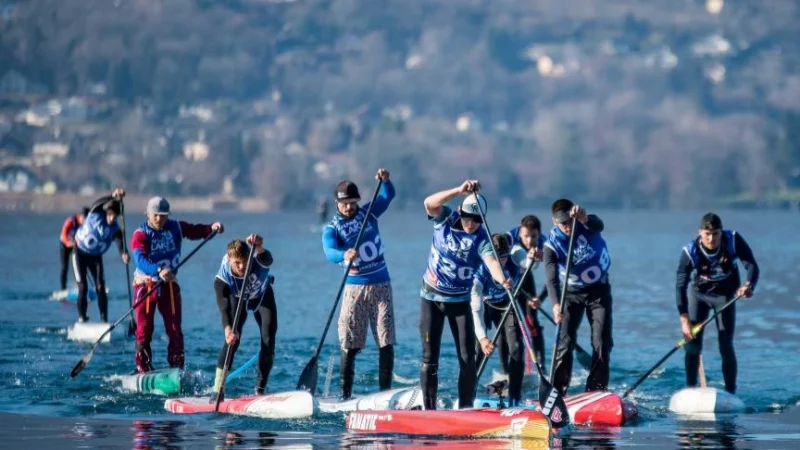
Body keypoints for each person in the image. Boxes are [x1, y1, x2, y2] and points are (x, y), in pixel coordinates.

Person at [420, 180, 512, 410]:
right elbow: (428, 203)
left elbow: (491, 262)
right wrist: (458, 191)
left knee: (468, 359)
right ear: (461, 212)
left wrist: (502, 278)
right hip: (431, 299)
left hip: (460, 302)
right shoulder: (447, 219)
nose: (472, 224)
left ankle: (465, 409)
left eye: (477, 220)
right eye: (468, 218)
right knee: (430, 359)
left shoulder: (483, 238)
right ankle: (428, 410)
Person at [322, 168, 395, 400]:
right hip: (354, 288)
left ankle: (385, 394)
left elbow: (387, 196)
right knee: (350, 343)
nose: (349, 207)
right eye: (345, 204)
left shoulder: (368, 214)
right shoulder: (332, 228)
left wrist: (385, 181)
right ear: (337, 203)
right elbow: (329, 252)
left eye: (353, 202)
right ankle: (345, 395)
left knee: (386, 341)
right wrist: (344, 255)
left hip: (381, 285)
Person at [130, 196, 223, 373]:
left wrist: (211, 228)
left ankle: (177, 368)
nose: (159, 219)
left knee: (174, 329)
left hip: (169, 285)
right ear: (147, 214)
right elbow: (139, 259)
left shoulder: (176, 227)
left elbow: (195, 231)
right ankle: (143, 368)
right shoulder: (140, 234)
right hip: (146, 285)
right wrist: (158, 270)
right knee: (144, 329)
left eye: (163, 215)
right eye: (155, 215)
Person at [676, 213, 759, 394]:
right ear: (700, 233)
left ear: (721, 233)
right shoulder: (690, 252)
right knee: (693, 345)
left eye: (716, 234)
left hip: (725, 297)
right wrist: (684, 319)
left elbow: (752, 264)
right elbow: (680, 286)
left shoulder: (733, 240)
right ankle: (690, 389)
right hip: (699, 296)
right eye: (707, 234)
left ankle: (731, 392)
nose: (712, 238)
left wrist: (748, 285)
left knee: (725, 344)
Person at [545, 199, 612, 396]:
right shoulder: (551, 244)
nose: (566, 226)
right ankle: (557, 391)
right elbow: (550, 278)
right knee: (565, 342)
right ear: (554, 222)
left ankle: (596, 390)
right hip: (571, 295)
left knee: (601, 341)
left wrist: (583, 217)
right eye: (561, 223)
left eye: (568, 221)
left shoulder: (585, 223)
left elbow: (599, 224)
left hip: (598, 291)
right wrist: (556, 305)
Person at [212, 234, 277, 398]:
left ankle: (259, 390)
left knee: (268, 340)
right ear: (229, 260)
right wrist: (227, 328)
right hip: (237, 298)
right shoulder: (223, 277)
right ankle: (217, 390)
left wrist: (259, 246)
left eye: (244, 261)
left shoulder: (257, 261)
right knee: (233, 339)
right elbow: (223, 304)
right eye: (237, 263)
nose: (241, 266)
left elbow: (268, 258)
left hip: (261, 295)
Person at [470, 233, 527, 406]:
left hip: (506, 303)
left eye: (504, 257)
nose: (501, 261)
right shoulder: (480, 273)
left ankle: (515, 397)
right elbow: (476, 308)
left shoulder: (514, 256)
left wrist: (533, 258)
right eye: (497, 257)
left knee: (517, 347)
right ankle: (469, 391)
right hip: (485, 305)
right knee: (479, 350)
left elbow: (528, 262)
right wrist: (482, 338)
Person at [72, 189, 129, 323]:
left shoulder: (115, 229)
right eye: (110, 215)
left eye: (115, 216)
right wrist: (112, 196)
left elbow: (121, 243)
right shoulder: (95, 214)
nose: (112, 218)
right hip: (79, 253)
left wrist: (124, 254)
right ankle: (82, 318)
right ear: (107, 212)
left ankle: (104, 320)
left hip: (95, 258)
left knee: (100, 287)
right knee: (83, 287)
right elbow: (98, 203)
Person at [507, 215, 547, 367]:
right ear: (519, 233)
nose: (530, 241)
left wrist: (539, 299)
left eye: (534, 236)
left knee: (532, 321)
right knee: (510, 325)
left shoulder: (545, 244)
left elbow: (554, 278)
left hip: (526, 280)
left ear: (539, 234)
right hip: (509, 280)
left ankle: (541, 366)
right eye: (526, 236)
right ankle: (506, 368)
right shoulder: (510, 237)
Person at [59, 206, 89, 290]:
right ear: (80, 216)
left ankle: (81, 287)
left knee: (80, 265)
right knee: (64, 267)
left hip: (76, 246)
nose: (85, 221)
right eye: (84, 218)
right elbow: (63, 235)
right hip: (65, 245)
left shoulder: (86, 225)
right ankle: (63, 289)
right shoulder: (70, 221)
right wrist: (70, 243)